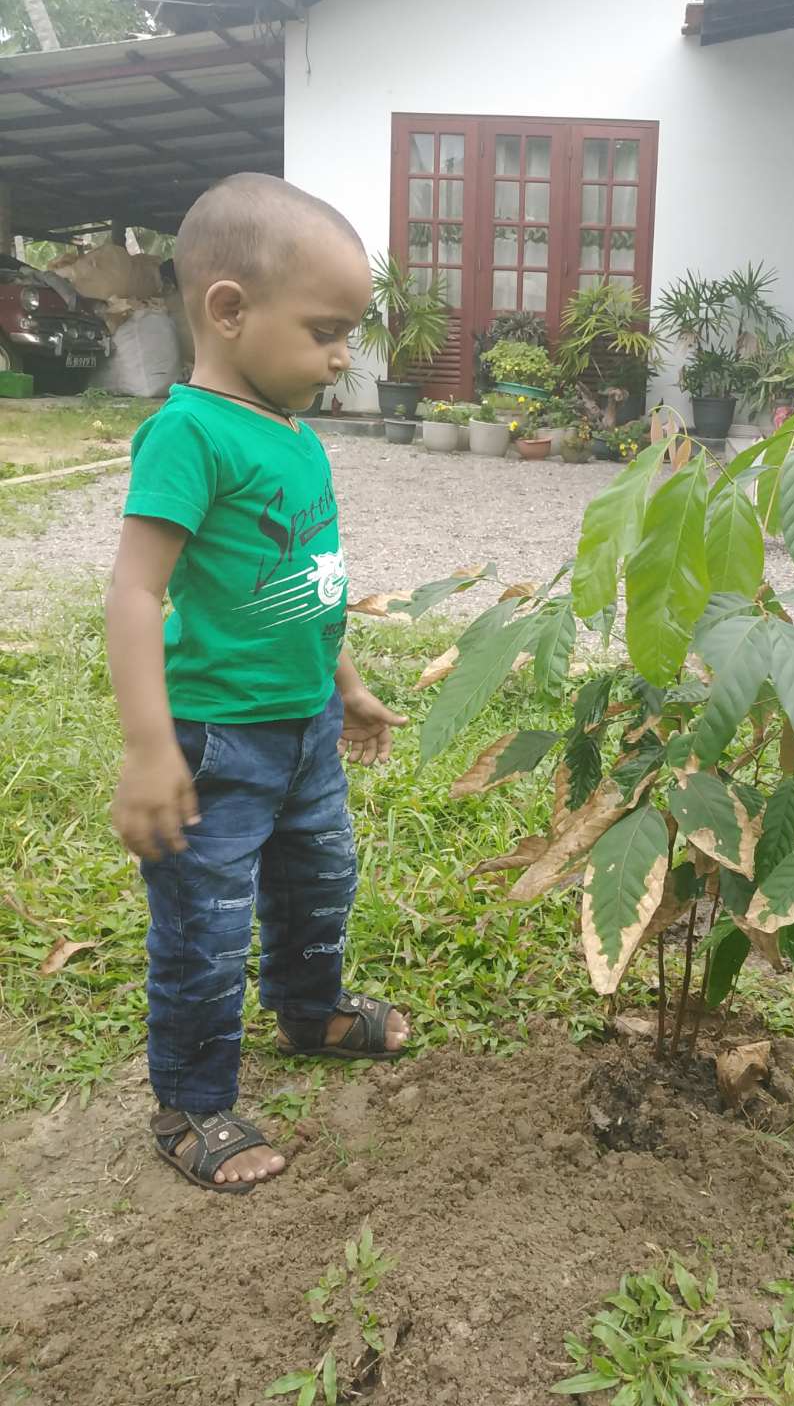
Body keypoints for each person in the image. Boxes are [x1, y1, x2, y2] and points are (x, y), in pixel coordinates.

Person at [106, 173, 409, 1195]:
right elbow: (135, 591)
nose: (343, 356)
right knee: (205, 929)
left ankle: (310, 1010)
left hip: (306, 726)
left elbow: (309, 587)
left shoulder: (295, 436)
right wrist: (150, 748)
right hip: (217, 741)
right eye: (327, 332)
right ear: (230, 310)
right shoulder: (188, 434)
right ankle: (190, 1103)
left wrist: (346, 685)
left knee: (319, 884)